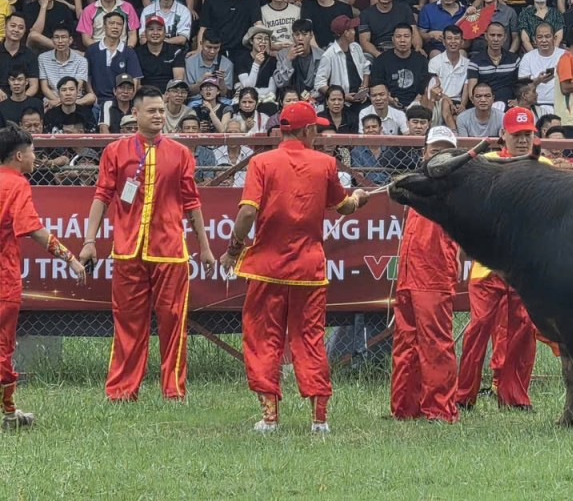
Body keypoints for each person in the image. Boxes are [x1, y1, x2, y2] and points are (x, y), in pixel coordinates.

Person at [221, 100, 369, 433]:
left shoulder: (261, 163)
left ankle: (270, 417)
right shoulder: (325, 163)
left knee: (263, 339)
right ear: (308, 130)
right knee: (310, 339)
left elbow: (246, 213)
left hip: (266, 269)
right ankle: (319, 419)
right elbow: (343, 205)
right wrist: (359, 200)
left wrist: (233, 250)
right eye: (315, 128)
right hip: (309, 270)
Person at [80, 86, 214, 401]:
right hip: (127, 250)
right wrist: (89, 240)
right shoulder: (116, 151)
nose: (157, 116)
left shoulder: (180, 153)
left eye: (160, 111)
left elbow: (192, 202)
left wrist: (205, 247)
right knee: (128, 321)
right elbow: (102, 196)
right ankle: (122, 390)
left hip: (170, 251)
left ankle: (173, 390)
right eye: (151, 111)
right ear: (136, 114)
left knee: (173, 321)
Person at [456, 107, 550, 411]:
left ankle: (514, 396)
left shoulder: (545, 167)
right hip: (487, 266)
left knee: (524, 331)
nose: (522, 141)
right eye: (516, 135)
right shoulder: (485, 165)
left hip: (526, 270)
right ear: (503, 136)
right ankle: (463, 394)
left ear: (535, 136)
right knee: (478, 327)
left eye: (527, 135)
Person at [0, 126, 86, 428]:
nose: (36, 157)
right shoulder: (17, 184)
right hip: (3, 281)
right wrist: (70, 258)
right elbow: (35, 231)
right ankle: (9, 414)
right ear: (20, 155)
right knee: (3, 348)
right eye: (33, 151)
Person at [391, 125, 462, 422]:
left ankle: (440, 409)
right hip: (409, 273)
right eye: (435, 149)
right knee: (405, 342)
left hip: (433, 274)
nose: (440, 155)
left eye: (446, 150)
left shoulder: (457, 187)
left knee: (435, 344)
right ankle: (405, 406)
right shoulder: (417, 183)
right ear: (424, 153)